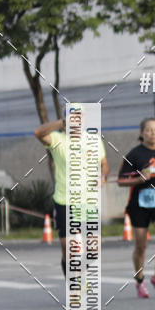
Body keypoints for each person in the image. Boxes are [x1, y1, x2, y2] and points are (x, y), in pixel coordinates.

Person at [35, 113, 109, 277]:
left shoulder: (94, 140)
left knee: (94, 248)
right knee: (68, 250)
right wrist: (60, 123)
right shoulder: (57, 139)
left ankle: (77, 274)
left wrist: (102, 176)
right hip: (65, 201)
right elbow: (38, 132)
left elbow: (104, 164)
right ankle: (73, 284)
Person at [118, 118, 155, 298]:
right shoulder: (134, 154)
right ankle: (140, 281)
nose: (153, 133)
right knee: (141, 246)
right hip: (139, 204)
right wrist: (139, 179)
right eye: (149, 130)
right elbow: (121, 181)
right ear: (142, 133)